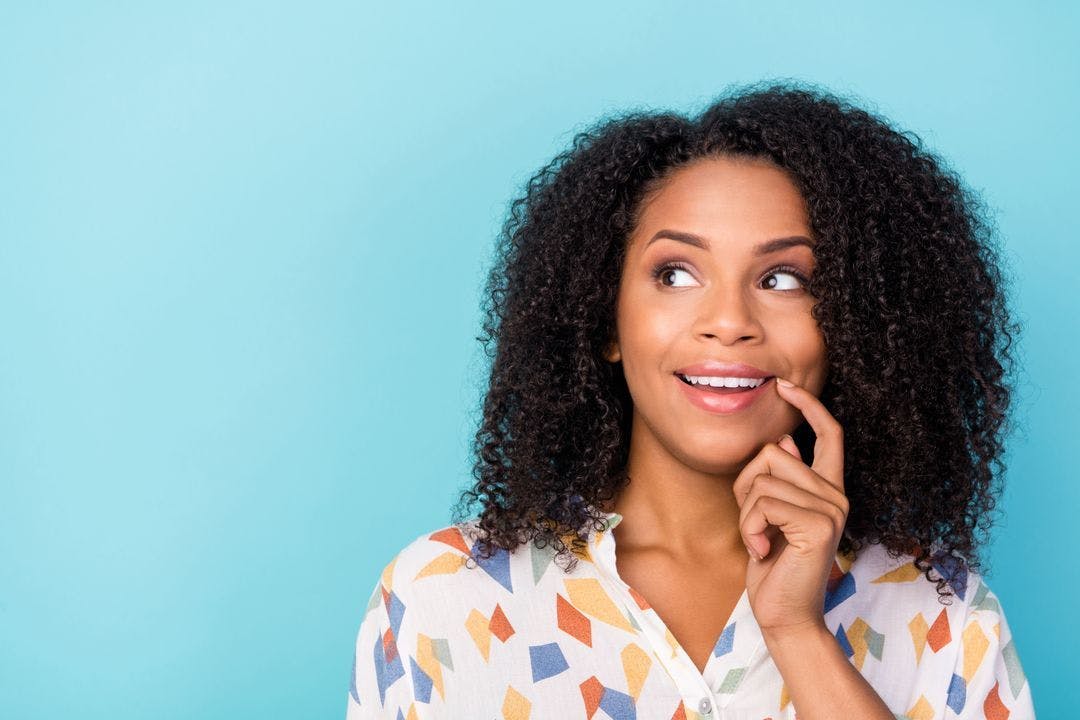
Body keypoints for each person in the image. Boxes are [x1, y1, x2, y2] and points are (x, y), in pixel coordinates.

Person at [345, 80, 1036, 719]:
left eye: (784, 280)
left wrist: (798, 633)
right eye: (675, 274)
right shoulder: (440, 596)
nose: (729, 319)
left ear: (853, 327)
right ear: (605, 320)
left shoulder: (943, 613)